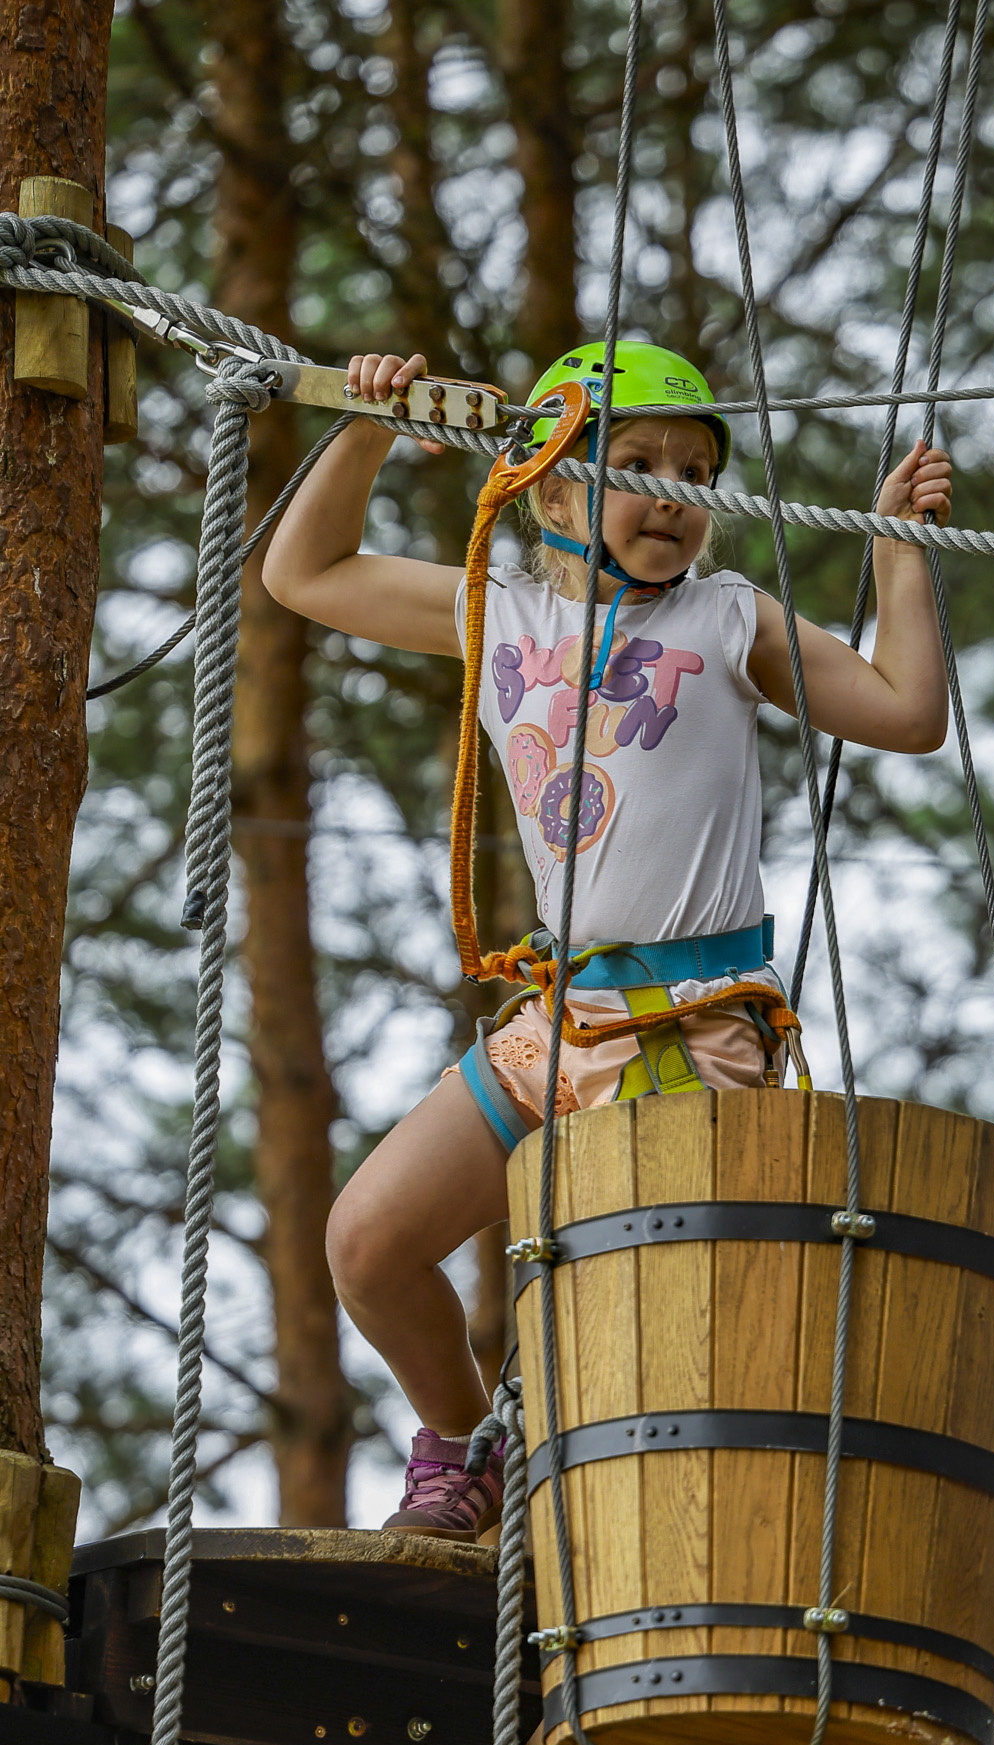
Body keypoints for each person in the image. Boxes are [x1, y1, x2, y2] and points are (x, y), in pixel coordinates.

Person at [262, 339, 952, 1539]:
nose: (672, 494)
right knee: (370, 1240)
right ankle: (465, 1456)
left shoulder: (730, 618)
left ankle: (630, 1531)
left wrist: (897, 556)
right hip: (562, 1023)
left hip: (695, 1033)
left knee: (643, 1336)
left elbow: (906, 712)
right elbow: (304, 572)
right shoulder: (497, 604)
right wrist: (368, 423)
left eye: (695, 470)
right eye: (636, 462)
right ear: (554, 483)